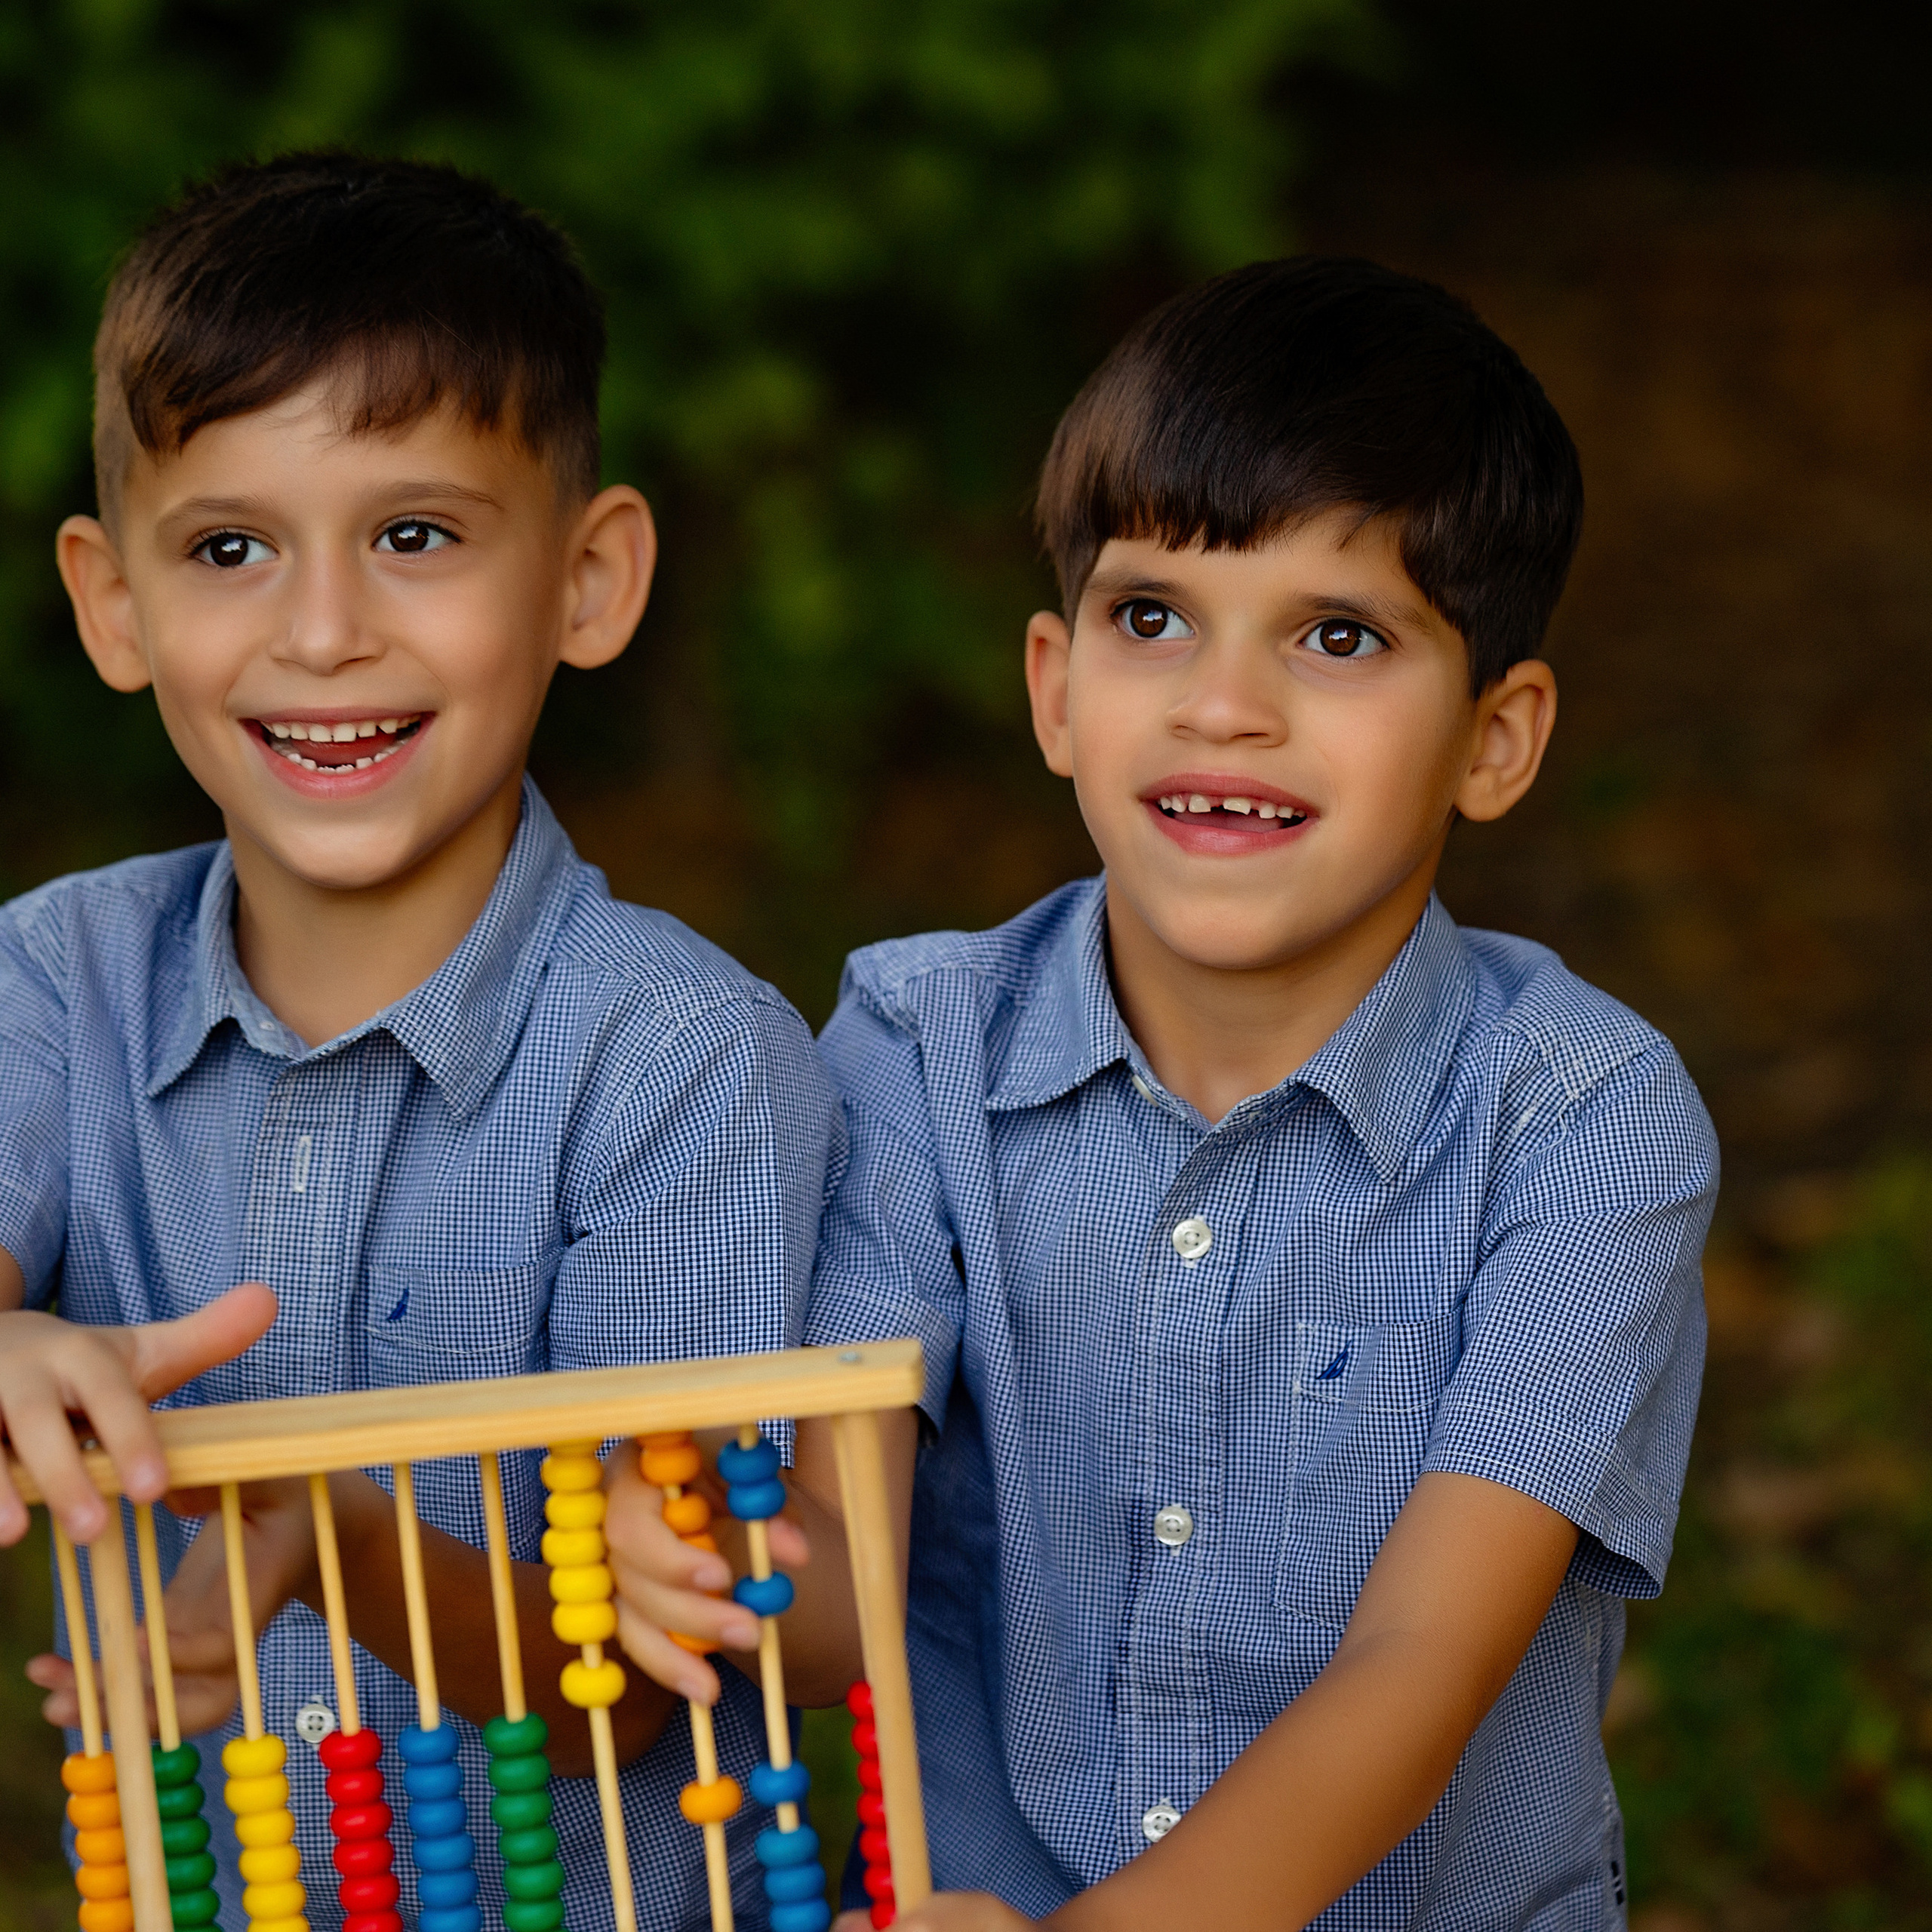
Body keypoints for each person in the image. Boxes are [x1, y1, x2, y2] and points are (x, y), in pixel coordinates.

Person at [606, 257, 1717, 1930]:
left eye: (1336, 635)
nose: (1222, 704)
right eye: (1151, 618)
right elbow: (833, 1568)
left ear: (1495, 736)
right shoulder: (912, 1049)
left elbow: (1420, 1665)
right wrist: (691, 1541)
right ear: (1054, 688)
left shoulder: (1580, 1117)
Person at [0, 153, 838, 1932]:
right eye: (230, 547)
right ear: (112, 604)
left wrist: (327, 1536)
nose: (321, 630)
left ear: (591, 579)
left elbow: (644, 1661)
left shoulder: (684, 1063)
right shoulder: (59, 978)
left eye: (416, 533)